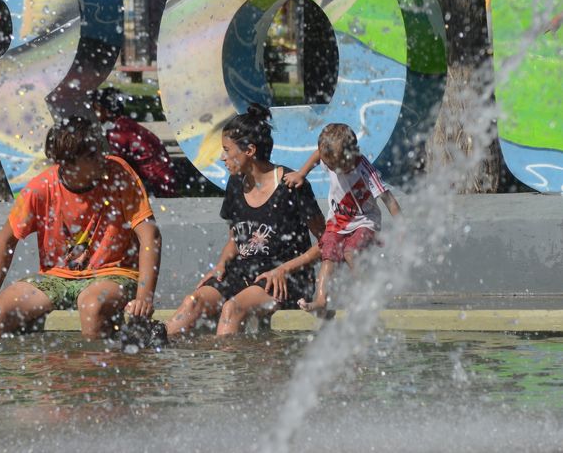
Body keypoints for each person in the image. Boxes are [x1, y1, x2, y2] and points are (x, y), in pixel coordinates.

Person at [0, 116, 161, 341]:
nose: (101, 159)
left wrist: (144, 297)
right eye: (91, 156)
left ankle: (96, 374)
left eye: (100, 150)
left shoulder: (119, 173)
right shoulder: (40, 189)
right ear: (67, 163)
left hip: (114, 274)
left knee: (91, 305)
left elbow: (150, 236)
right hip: (56, 278)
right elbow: (5, 241)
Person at [165, 104, 326, 337]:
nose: (222, 157)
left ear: (249, 150)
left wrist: (283, 269)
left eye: (226, 150)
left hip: (285, 279)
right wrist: (221, 264)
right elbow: (236, 238)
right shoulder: (235, 184)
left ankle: (234, 370)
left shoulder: (292, 186)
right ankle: (158, 346)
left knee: (232, 308)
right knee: (194, 301)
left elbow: (326, 241)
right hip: (243, 273)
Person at [282, 123, 402, 314]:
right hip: (338, 221)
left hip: (365, 220)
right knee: (328, 255)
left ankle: (368, 296)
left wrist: (402, 229)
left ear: (353, 154)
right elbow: (318, 154)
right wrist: (301, 174)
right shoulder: (331, 157)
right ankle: (321, 299)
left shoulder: (365, 170)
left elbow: (389, 200)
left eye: (340, 166)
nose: (336, 170)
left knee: (350, 252)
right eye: (331, 166)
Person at [90, 87, 178, 197]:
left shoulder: (118, 133)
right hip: (163, 182)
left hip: (155, 188)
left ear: (105, 110)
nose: (91, 113)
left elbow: (111, 165)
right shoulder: (125, 125)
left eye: (94, 108)